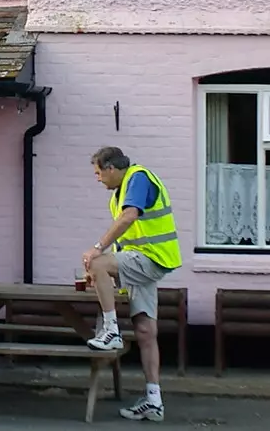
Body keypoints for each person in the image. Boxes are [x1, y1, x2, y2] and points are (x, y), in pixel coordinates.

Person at [80, 146, 182, 424]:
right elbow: (128, 240)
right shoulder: (119, 194)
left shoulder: (137, 178)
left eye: (99, 172)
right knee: (146, 330)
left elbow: (130, 218)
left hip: (151, 259)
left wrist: (97, 250)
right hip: (145, 261)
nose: (98, 178)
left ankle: (111, 331)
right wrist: (111, 275)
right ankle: (153, 400)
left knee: (97, 261)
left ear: (112, 168)